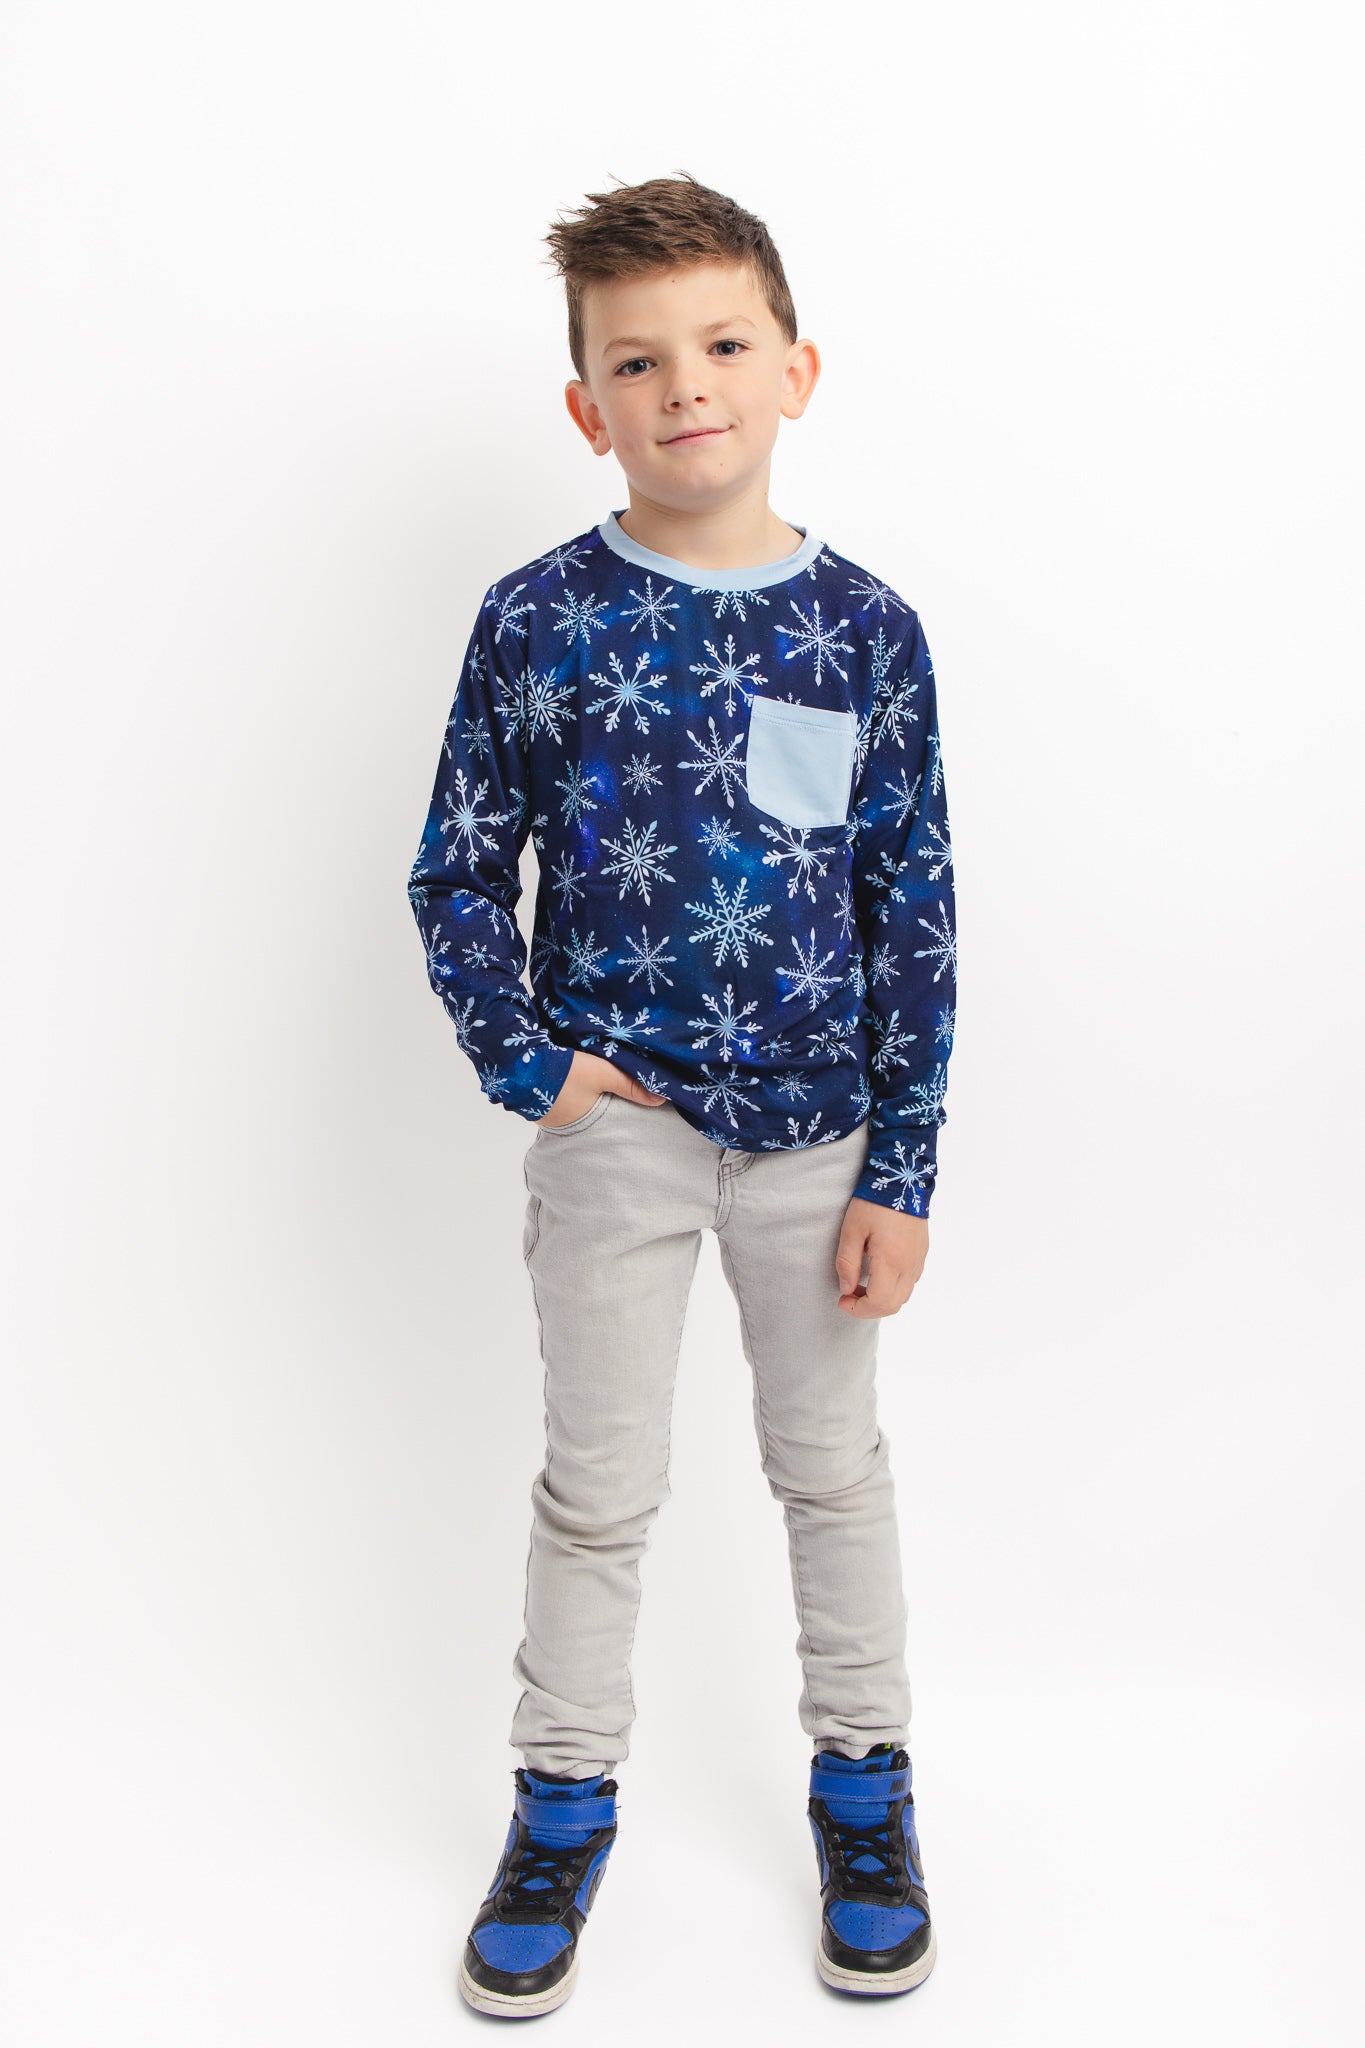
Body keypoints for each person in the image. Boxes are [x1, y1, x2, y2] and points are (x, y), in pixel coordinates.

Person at [406, 171, 956, 2016]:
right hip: (617, 1136)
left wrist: (904, 1169)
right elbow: (456, 870)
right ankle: (560, 1806)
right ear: (588, 407)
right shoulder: (536, 619)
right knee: (598, 1487)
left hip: (820, 1140)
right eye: (636, 361)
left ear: (796, 370)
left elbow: (910, 906)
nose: (684, 385)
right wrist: (531, 1065)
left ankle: (863, 1793)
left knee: (831, 1472)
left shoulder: (864, 633)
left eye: (721, 344)